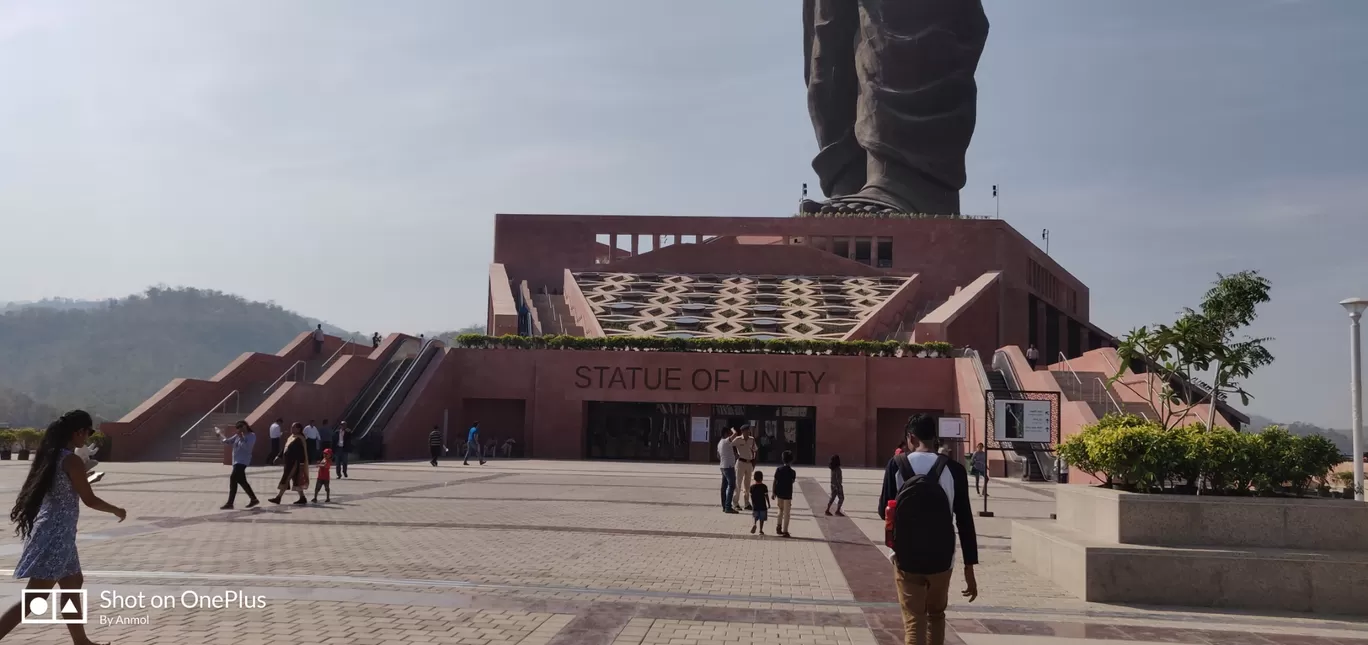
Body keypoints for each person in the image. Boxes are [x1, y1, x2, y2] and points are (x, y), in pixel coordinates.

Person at [0, 410, 127, 645]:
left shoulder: (53, 455)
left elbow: (64, 488)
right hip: (56, 535)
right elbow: (89, 500)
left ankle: (81, 641)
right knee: (34, 597)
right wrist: (116, 510)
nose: (87, 438)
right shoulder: (71, 460)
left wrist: (85, 478)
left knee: (72, 583)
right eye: (87, 432)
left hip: (56, 532)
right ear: (78, 432)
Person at [878, 414, 979, 645]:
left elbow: (881, 509)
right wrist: (969, 567)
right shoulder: (954, 469)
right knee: (936, 615)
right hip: (942, 558)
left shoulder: (897, 464)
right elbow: (964, 520)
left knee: (914, 619)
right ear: (935, 437)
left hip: (906, 556)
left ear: (910, 437)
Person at [215, 421, 259, 510]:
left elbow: (247, 447)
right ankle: (253, 499)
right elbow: (227, 442)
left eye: (241, 426)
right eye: (238, 427)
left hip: (243, 461)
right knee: (241, 481)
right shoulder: (237, 436)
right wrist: (220, 435)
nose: (240, 429)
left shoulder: (251, 436)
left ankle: (230, 503)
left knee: (233, 478)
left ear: (246, 425)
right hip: (236, 461)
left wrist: (242, 437)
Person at [269, 423, 309, 506]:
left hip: (294, 463)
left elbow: (302, 453)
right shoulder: (291, 437)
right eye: (291, 427)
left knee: (286, 478)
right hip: (288, 462)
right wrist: (278, 456)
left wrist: (301, 464)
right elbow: (285, 448)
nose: (292, 428)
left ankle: (278, 498)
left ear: (298, 429)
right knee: (295, 480)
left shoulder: (300, 439)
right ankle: (302, 498)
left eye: (294, 427)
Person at [730, 425, 757, 511]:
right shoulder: (738, 439)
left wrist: (754, 462)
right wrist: (734, 454)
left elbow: (755, 450)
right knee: (738, 483)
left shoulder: (752, 439)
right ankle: (735, 503)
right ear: (743, 431)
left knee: (747, 484)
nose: (748, 432)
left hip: (749, 463)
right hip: (740, 462)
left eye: (748, 430)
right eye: (746, 430)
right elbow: (730, 445)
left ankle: (746, 503)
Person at [772, 451, 797, 538]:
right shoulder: (793, 472)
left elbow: (775, 481)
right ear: (791, 461)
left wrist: (773, 492)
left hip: (779, 493)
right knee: (787, 513)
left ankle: (778, 525)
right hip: (788, 494)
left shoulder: (778, 469)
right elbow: (792, 481)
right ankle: (785, 530)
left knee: (780, 510)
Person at [718, 427, 739, 514]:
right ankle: (728, 507)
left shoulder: (719, 443)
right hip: (728, 467)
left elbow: (718, 455)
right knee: (731, 486)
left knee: (724, 487)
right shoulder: (726, 441)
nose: (730, 435)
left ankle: (724, 505)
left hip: (723, 466)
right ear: (726, 434)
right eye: (729, 433)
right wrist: (733, 429)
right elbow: (736, 434)